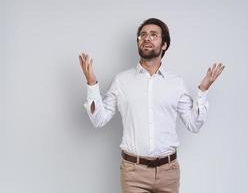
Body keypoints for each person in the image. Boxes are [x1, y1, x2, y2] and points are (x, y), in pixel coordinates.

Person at [79, 18, 225, 193]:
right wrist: (92, 84)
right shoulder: (121, 81)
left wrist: (203, 90)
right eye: (143, 35)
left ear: (164, 45)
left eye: (153, 35)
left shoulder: (176, 83)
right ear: (138, 42)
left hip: (168, 173)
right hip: (133, 173)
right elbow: (99, 120)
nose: (147, 38)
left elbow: (193, 124)